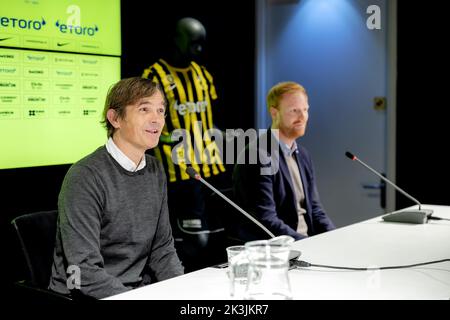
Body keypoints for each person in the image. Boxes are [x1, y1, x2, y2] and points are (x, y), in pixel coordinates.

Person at [49, 77, 184, 299]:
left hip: (136, 292)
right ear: (115, 118)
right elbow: (83, 271)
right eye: (144, 109)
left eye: (161, 111)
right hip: (84, 296)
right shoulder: (84, 176)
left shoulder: (155, 169)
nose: (157, 120)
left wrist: (184, 292)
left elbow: (162, 249)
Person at [142, 17, 227, 272]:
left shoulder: (203, 75)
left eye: (202, 44)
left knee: (215, 238)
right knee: (192, 242)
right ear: (176, 40)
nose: (198, 50)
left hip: (211, 169)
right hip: (179, 175)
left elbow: (209, 117)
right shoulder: (153, 78)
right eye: (193, 44)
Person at [232, 81, 335, 242]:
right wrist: (308, 244)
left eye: (305, 110)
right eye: (294, 111)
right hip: (278, 251)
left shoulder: (303, 155)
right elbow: (266, 220)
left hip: (305, 243)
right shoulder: (256, 155)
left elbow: (315, 209)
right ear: (274, 113)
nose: (302, 117)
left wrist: (334, 237)